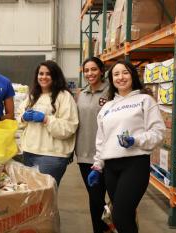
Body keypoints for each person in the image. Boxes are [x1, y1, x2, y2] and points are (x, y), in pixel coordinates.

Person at [88, 60, 165, 233]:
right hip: (111, 168)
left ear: (132, 75)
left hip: (135, 164)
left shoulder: (144, 100)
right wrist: (97, 166)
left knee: (120, 216)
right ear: (111, 79)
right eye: (116, 74)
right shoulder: (106, 107)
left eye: (125, 73)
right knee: (124, 217)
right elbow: (101, 140)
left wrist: (135, 140)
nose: (120, 77)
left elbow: (158, 133)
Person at [18, 60, 79, 186]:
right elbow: (18, 120)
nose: (43, 77)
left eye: (48, 74)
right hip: (29, 152)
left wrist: (46, 119)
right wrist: (23, 117)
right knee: (32, 195)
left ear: (55, 76)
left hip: (52, 155)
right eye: (41, 74)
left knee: (46, 196)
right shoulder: (33, 96)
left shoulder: (64, 96)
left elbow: (69, 127)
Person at [75, 57, 110, 233]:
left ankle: (114, 226)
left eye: (94, 69)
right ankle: (101, 229)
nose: (90, 73)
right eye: (86, 70)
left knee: (115, 199)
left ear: (101, 70)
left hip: (108, 155)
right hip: (85, 154)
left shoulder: (111, 92)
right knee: (95, 198)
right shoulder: (81, 94)